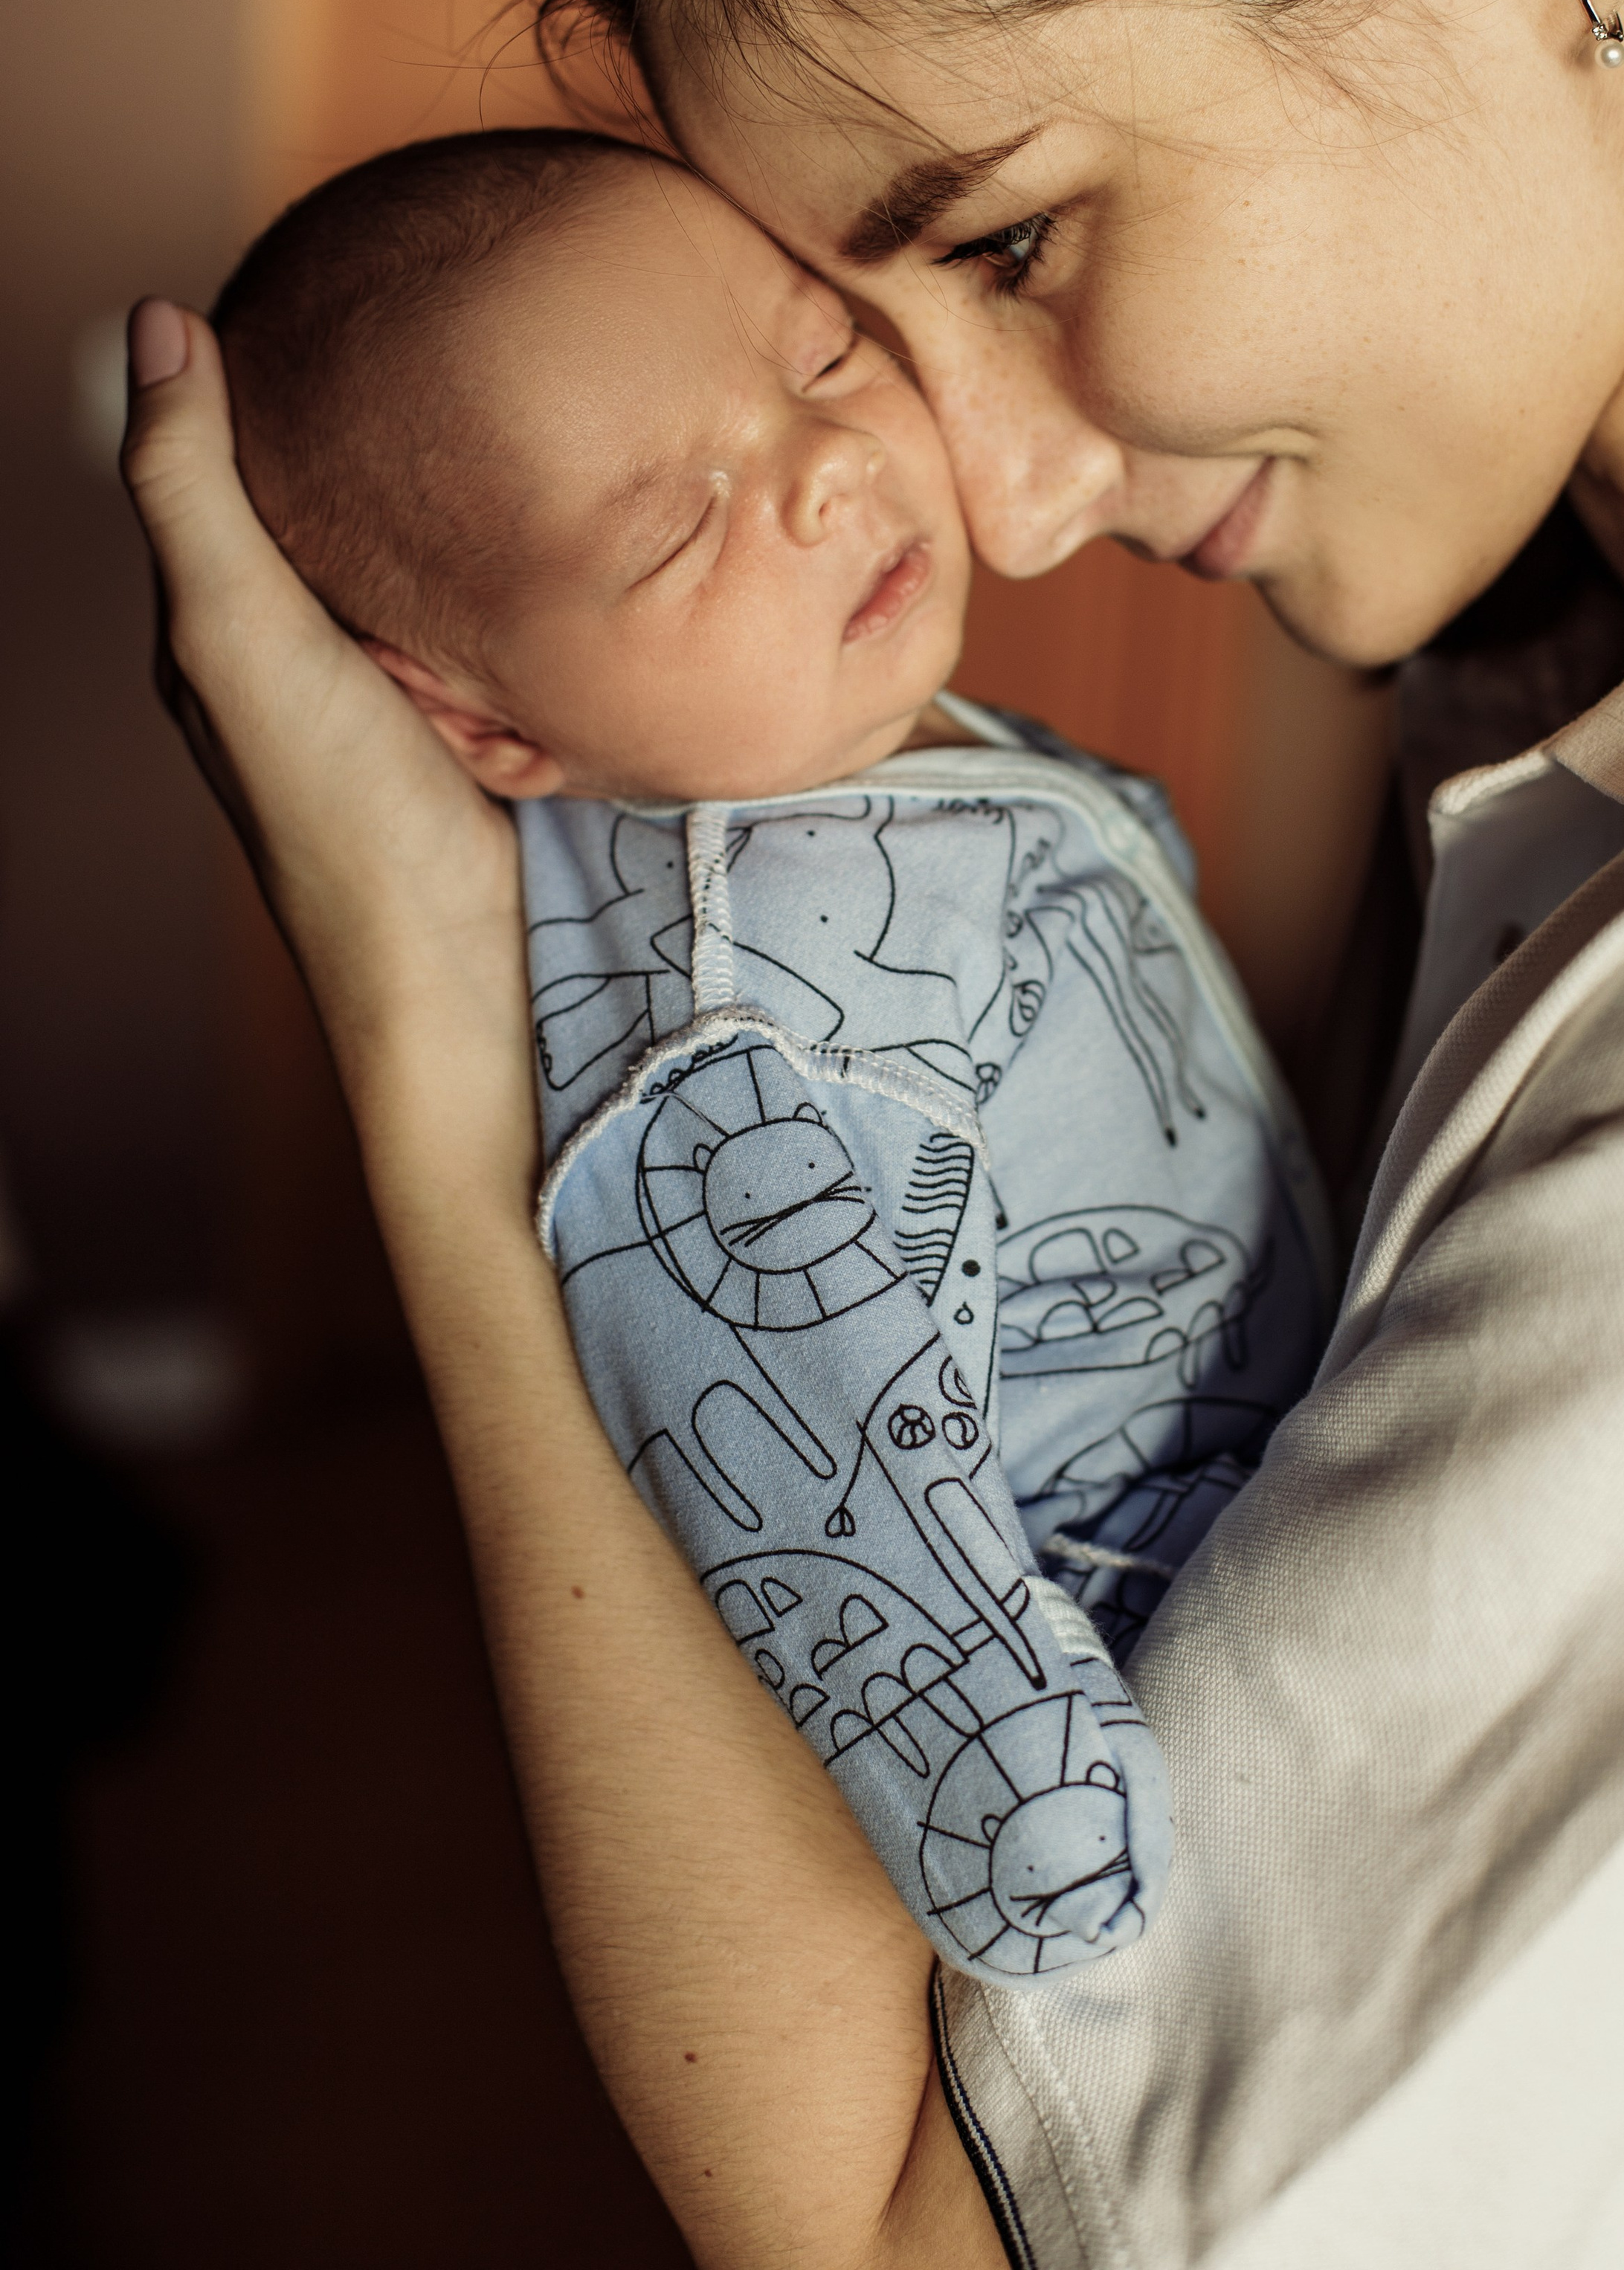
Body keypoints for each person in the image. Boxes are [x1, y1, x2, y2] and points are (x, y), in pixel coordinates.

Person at [121, 0, 1624, 2260]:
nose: (992, 494)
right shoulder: (1621, 697)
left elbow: (896, 2240)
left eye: (1015, 242)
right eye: (854, 315)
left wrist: (467, 1073)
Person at [207, 123, 1327, 1979]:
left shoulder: (812, 744)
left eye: (818, 356)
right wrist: (1079, 1879)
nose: (816, 469)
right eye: (673, 523)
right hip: (1182, 1712)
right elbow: (840, 1530)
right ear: (480, 725)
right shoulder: (739, 1078)